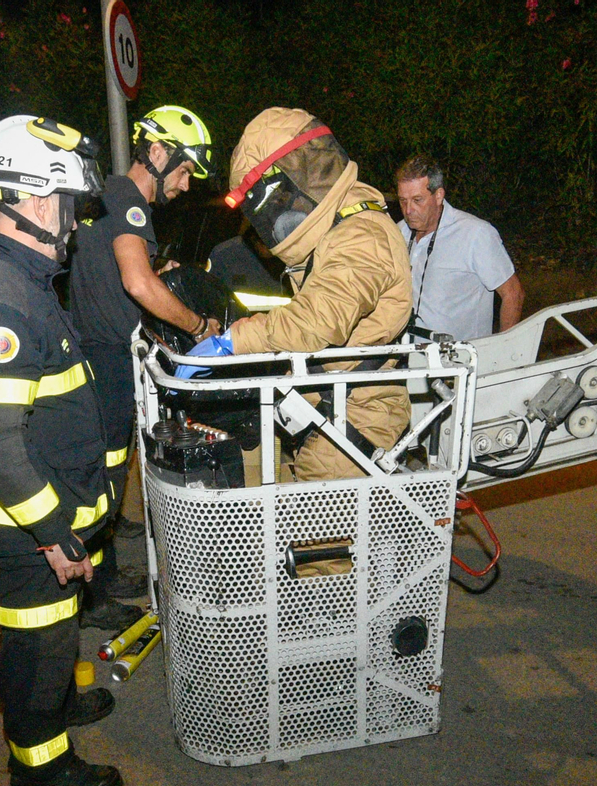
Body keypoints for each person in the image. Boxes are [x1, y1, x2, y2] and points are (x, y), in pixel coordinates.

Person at [0, 114, 123, 786]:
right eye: (71, 206)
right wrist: (54, 534)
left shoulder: (17, 279)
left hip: (48, 513)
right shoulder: (2, 301)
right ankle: (40, 766)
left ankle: (57, 710)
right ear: (37, 199)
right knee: (36, 649)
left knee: (55, 635)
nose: (76, 223)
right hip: (31, 527)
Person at [68, 105, 217, 625]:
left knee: (105, 476)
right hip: (106, 360)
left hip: (89, 352)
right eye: (183, 169)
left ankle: (103, 575)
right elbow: (136, 284)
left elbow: (118, 272)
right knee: (101, 479)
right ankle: (89, 598)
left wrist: (156, 267)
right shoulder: (131, 202)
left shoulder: (106, 193)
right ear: (156, 152)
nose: (185, 183)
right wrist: (199, 328)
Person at [217, 107, 412, 484]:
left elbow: (317, 321)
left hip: (357, 419)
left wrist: (233, 341)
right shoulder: (335, 231)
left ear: (298, 175)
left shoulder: (362, 234)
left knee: (315, 539)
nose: (277, 214)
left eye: (275, 198)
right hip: (325, 408)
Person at [394, 154, 524, 340]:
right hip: (405, 359)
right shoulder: (398, 232)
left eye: (417, 200)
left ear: (438, 195)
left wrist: (503, 352)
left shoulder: (475, 234)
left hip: (460, 363)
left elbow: (513, 294)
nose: (408, 210)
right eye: (402, 200)